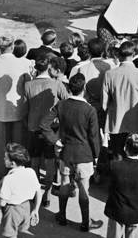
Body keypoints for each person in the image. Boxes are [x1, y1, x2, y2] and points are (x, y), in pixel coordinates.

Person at [39, 73, 102, 231]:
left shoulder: (61, 105)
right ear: (84, 89)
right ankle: (85, 222)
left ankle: (62, 215)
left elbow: (44, 124)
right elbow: (94, 137)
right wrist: (96, 156)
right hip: (84, 153)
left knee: (65, 183)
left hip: (66, 151)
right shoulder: (90, 110)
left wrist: (55, 140)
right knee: (83, 188)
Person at [24, 54, 69, 197]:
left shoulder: (28, 85)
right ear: (49, 67)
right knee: (50, 161)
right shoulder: (56, 84)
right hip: (51, 128)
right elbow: (66, 100)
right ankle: (47, 193)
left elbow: (26, 106)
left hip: (33, 126)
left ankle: (34, 190)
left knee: (34, 159)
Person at [0, 35, 30, 177]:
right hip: (18, 106)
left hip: (0, 106)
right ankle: (18, 172)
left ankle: (1, 171)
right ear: (12, 47)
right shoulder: (24, 63)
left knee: (1, 143)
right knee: (18, 141)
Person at [102, 41, 138, 160]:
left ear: (119, 55)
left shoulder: (109, 74)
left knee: (118, 159)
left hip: (117, 124)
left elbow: (104, 104)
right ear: (133, 54)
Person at [0, 143, 42, 238]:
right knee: (22, 232)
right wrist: (36, 210)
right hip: (26, 207)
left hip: (12, 210)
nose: (3, 159)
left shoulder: (8, 179)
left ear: (12, 163)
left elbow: (2, 202)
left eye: (5, 158)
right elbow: (38, 191)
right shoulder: (31, 172)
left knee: (10, 235)